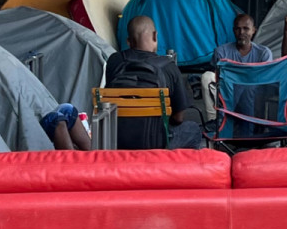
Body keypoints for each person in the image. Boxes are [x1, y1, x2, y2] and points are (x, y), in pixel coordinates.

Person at [103, 15, 200, 149]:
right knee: (193, 128)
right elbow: (178, 118)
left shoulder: (114, 61)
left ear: (128, 41)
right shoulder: (169, 66)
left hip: (118, 140)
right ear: (155, 36)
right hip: (154, 143)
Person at [200, 14, 273, 124]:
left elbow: (266, 81)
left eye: (246, 28)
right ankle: (214, 123)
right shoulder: (221, 51)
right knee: (207, 77)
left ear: (254, 30)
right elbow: (219, 77)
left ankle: (255, 123)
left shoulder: (263, 53)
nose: (241, 32)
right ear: (233, 31)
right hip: (227, 94)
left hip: (252, 96)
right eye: (238, 29)